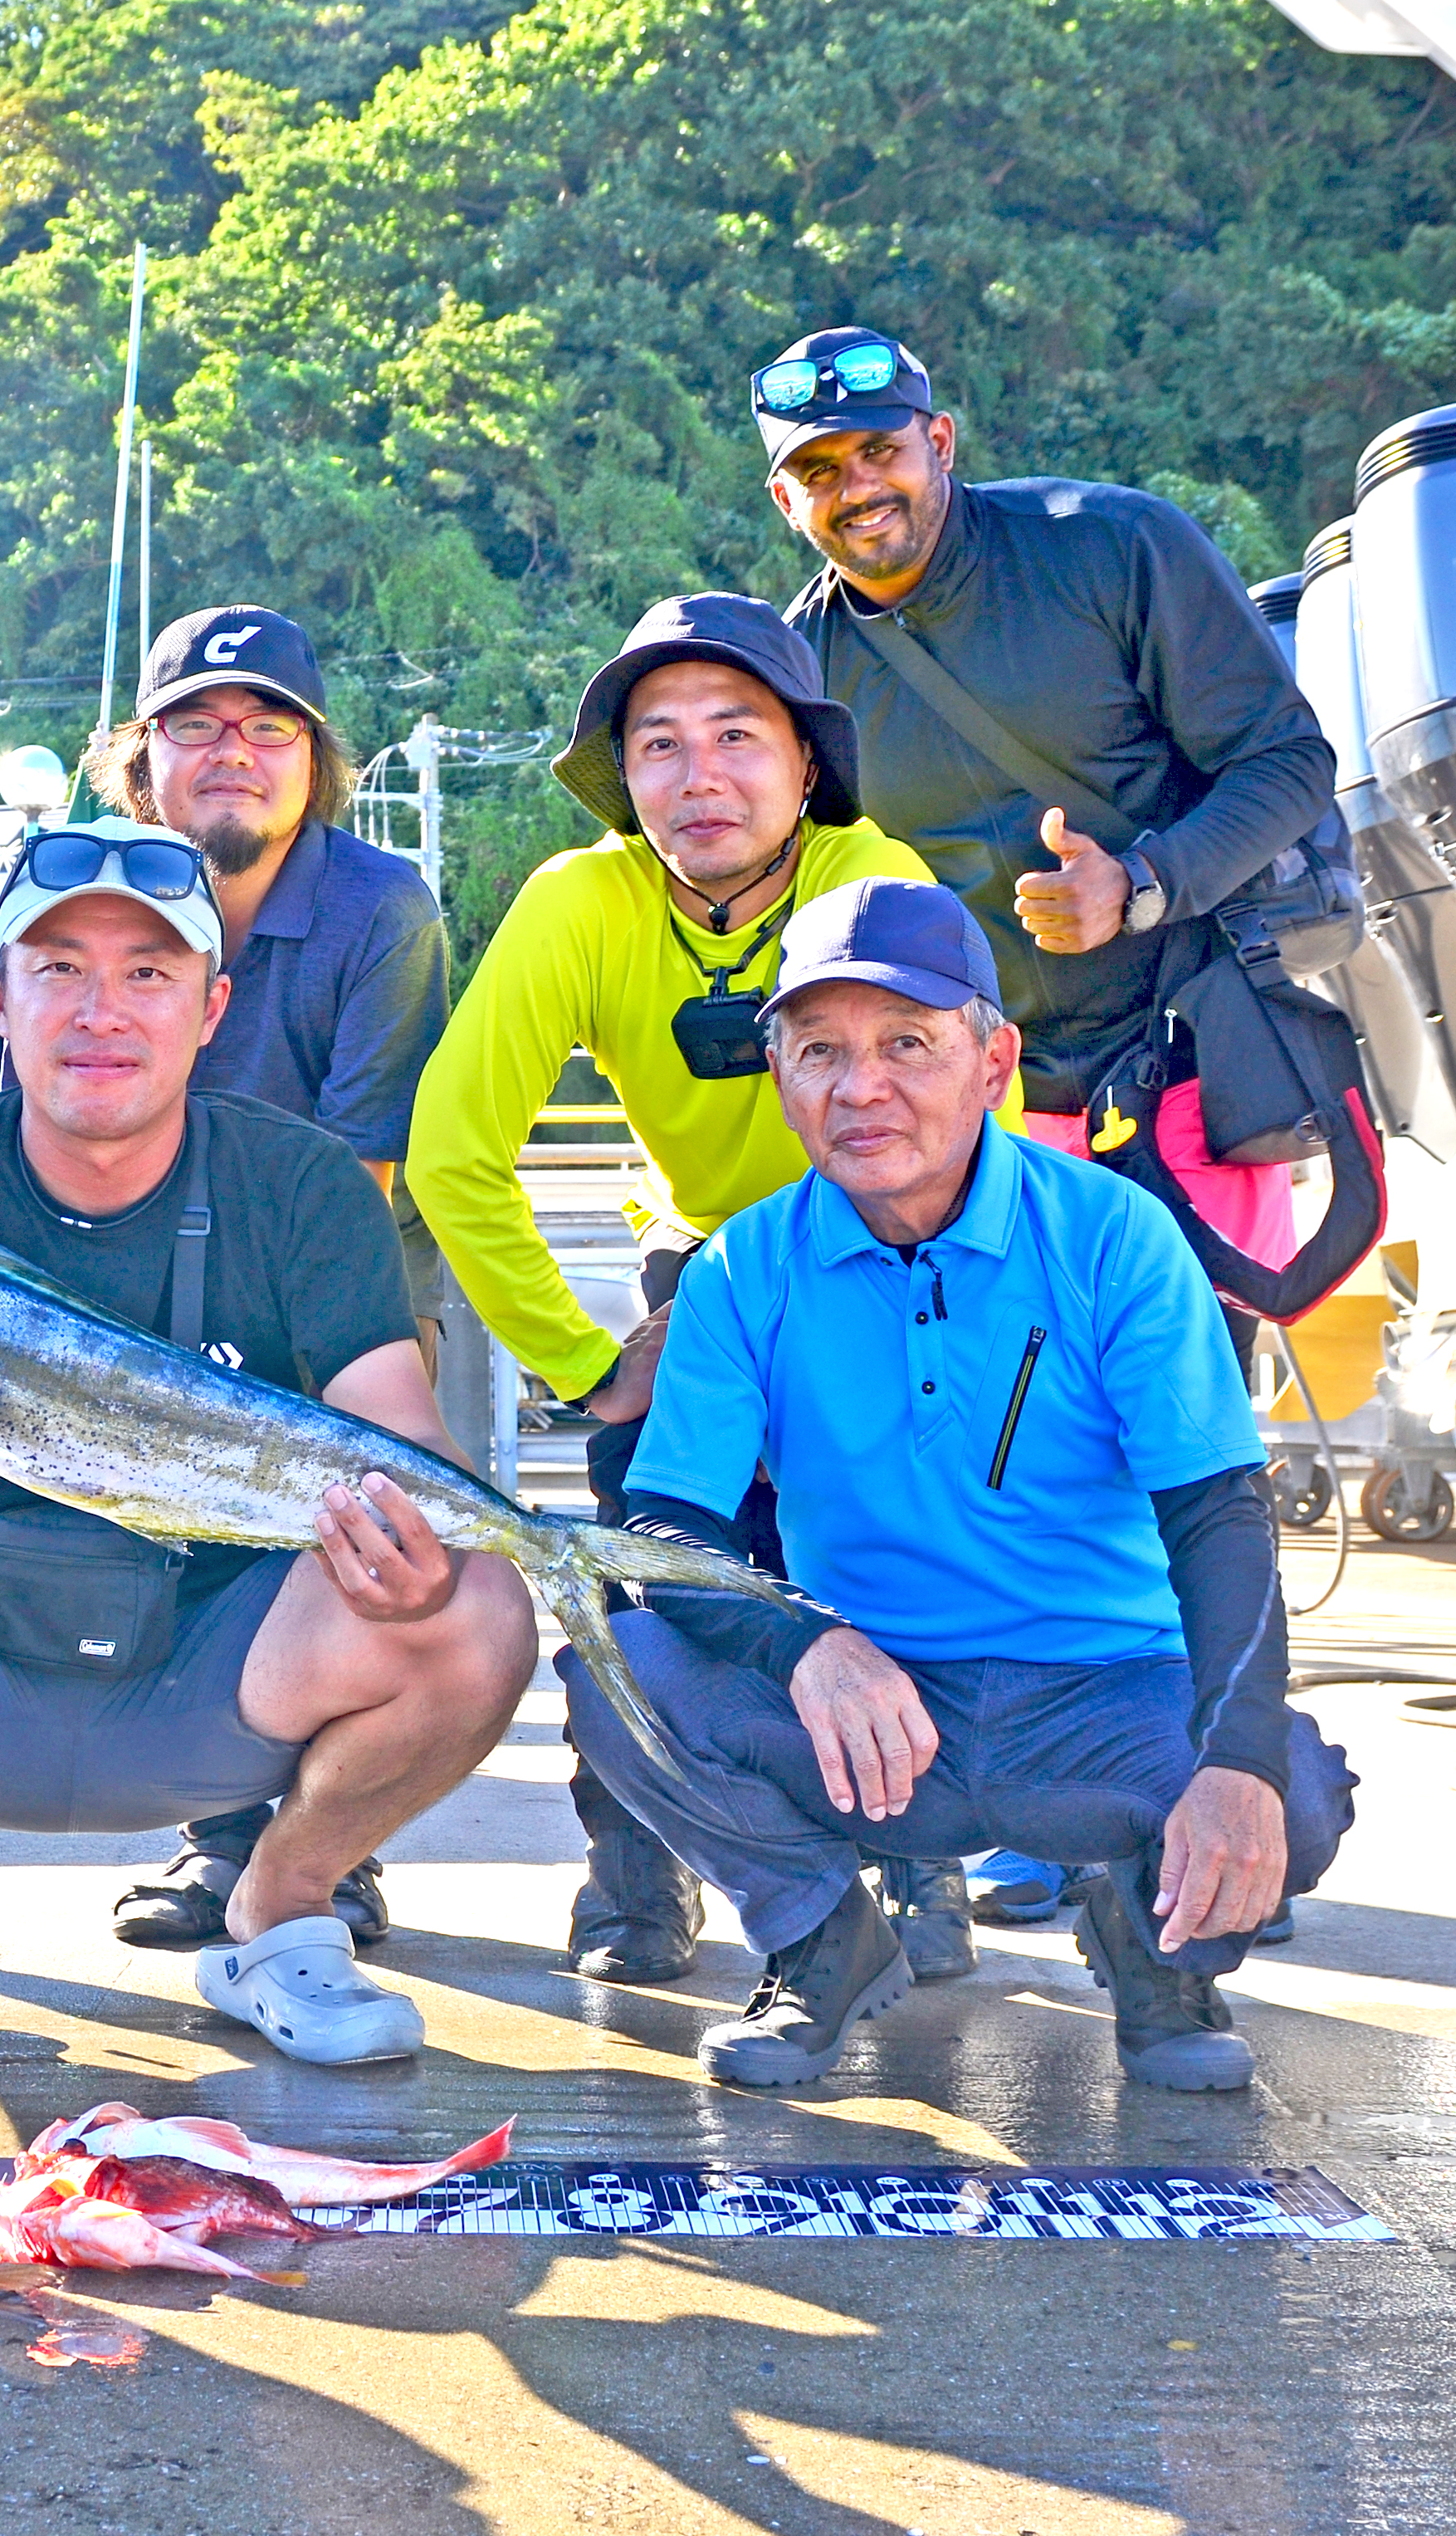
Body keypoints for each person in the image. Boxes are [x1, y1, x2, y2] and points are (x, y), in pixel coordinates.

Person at [0, 820, 540, 2073]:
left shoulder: (305, 1183)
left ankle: (280, 1906)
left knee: (485, 1605)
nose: (99, 1009)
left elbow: (397, 1418)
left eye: (147, 972)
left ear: (210, 1005)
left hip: (220, 1677)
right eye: (58, 967)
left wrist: (422, 1554)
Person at [559, 876, 1354, 2095]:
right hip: (876, 1715)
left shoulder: (1115, 1235)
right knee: (613, 1674)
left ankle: (1155, 1948)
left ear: (993, 1061)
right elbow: (666, 1525)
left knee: (1285, 1790)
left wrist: (1234, 1754)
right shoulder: (740, 1266)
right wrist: (804, 1641)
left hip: (1103, 1692)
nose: (859, 1086)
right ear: (779, 1077)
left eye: (907, 1044)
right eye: (817, 1048)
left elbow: (1218, 1515)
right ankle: (821, 1941)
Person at [759, 326, 1339, 1938]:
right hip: (998, 1100)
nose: (853, 487)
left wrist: (1139, 885)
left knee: (1184, 1451)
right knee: (1005, 1450)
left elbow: (1291, 761)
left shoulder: (1112, 549)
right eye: (815, 468)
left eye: (877, 449)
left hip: (1192, 1059)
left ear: (939, 437)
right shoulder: (821, 668)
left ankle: (1223, 1807)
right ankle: (1055, 1804)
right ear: (782, 489)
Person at [403, 593, 975, 1988]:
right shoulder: (576, 903)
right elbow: (452, 1151)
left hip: (879, 1263)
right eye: (657, 744)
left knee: (893, 1570)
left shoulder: (873, 875)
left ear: (802, 764)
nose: (698, 774)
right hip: (697, 1280)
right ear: (623, 777)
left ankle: (918, 1861)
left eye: (737, 734)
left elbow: (948, 1132)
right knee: (637, 1584)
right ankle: (635, 1878)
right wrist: (589, 1364)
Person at [73, 603, 452, 1953]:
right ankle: (216, 1839)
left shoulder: (382, 908)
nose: (232, 749)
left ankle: (329, 1856)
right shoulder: (84, 894)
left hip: (337, 1282)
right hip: (135, 1283)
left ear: (315, 759)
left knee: (346, 1554)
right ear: (141, 757)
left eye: (267, 725)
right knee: (165, 1562)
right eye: (196, 723)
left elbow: (359, 1178)